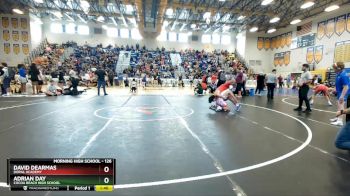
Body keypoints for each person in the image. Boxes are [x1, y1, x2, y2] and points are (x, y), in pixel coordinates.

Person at [330, 62, 350, 126]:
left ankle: (340, 121)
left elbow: (346, 87)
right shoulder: (338, 74)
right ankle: (337, 117)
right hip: (339, 92)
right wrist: (334, 90)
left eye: (334, 68)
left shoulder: (343, 75)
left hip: (343, 93)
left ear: (338, 68)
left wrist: (342, 96)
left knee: (341, 106)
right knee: (339, 105)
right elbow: (338, 84)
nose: (334, 69)